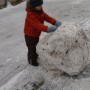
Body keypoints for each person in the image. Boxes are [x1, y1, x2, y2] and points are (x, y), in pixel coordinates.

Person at [24, 0, 62, 66]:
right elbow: (37, 25)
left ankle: (35, 56)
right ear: (33, 6)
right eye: (39, 6)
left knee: (35, 46)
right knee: (32, 49)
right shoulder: (30, 15)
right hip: (30, 35)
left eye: (41, 5)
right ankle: (32, 61)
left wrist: (55, 22)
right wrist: (48, 29)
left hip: (35, 34)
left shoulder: (39, 11)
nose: (41, 7)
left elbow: (47, 17)